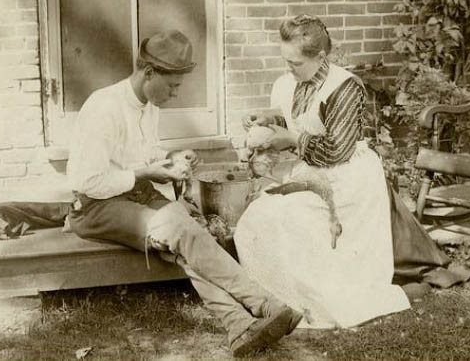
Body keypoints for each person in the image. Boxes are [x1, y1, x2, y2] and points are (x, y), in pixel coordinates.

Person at [65, 29, 302, 356]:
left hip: (134, 196)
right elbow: (89, 181)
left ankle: (237, 325)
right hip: (94, 208)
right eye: (173, 86)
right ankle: (265, 304)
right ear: (149, 73)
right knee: (178, 229)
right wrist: (150, 172)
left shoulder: (149, 105)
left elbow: (142, 160)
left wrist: (173, 161)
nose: (176, 94)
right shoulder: (103, 107)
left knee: (190, 229)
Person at [234, 15, 411, 329]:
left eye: (296, 63)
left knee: (281, 216)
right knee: (257, 217)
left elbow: (336, 151)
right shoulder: (288, 81)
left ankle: (310, 302)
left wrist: (289, 139)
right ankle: (274, 300)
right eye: (286, 61)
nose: (290, 68)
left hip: (347, 178)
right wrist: (264, 120)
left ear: (321, 57)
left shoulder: (343, 88)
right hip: (313, 173)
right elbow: (290, 119)